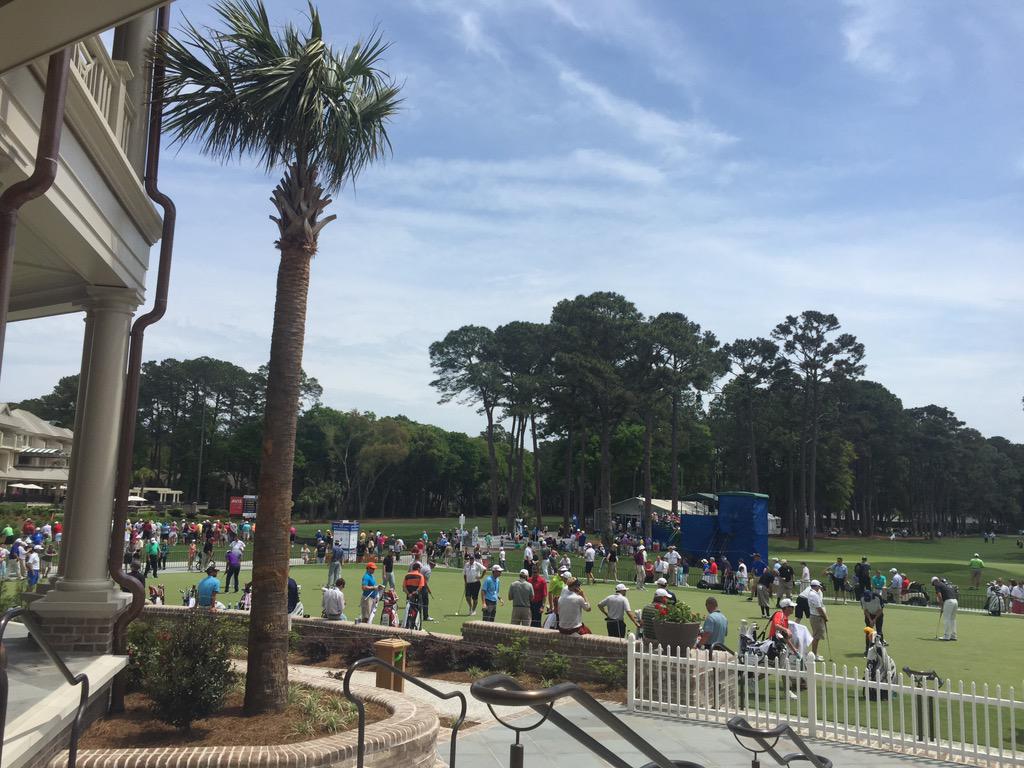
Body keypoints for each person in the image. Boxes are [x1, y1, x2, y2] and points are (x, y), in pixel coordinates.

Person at [805, 580, 827, 660]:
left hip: (816, 617)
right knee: (816, 637)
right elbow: (819, 608)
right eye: (819, 587)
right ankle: (814, 655)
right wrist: (825, 617)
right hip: (817, 617)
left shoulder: (815, 593)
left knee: (816, 636)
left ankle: (815, 654)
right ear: (816, 586)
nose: (819, 588)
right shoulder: (813, 595)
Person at [932, 576, 958, 641]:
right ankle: (953, 635)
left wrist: (942, 605)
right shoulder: (947, 584)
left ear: (934, 581)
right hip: (955, 601)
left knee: (947, 619)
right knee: (952, 619)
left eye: (933, 583)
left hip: (948, 601)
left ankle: (946, 636)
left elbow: (939, 595)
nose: (934, 585)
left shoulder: (937, 584)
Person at [403, 562, 427, 629]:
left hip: (409, 596)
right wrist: (414, 593)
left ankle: (407, 625)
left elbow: (404, 587)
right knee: (418, 611)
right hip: (417, 597)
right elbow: (420, 587)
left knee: (409, 610)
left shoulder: (407, 575)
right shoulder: (420, 576)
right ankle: (417, 627)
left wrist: (409, 594)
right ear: (418, 568)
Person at [860, 588, 884, 654]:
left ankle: (880, 650)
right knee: (868, 632)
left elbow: (881, 610)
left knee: (879, 632)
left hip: (878, 615)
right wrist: (870, 619)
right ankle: (868, 649)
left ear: (871, 595)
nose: (868, 600)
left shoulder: (878, 597)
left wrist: (874, 619)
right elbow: (865, 610)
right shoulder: (862, 599)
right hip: (869, 615)